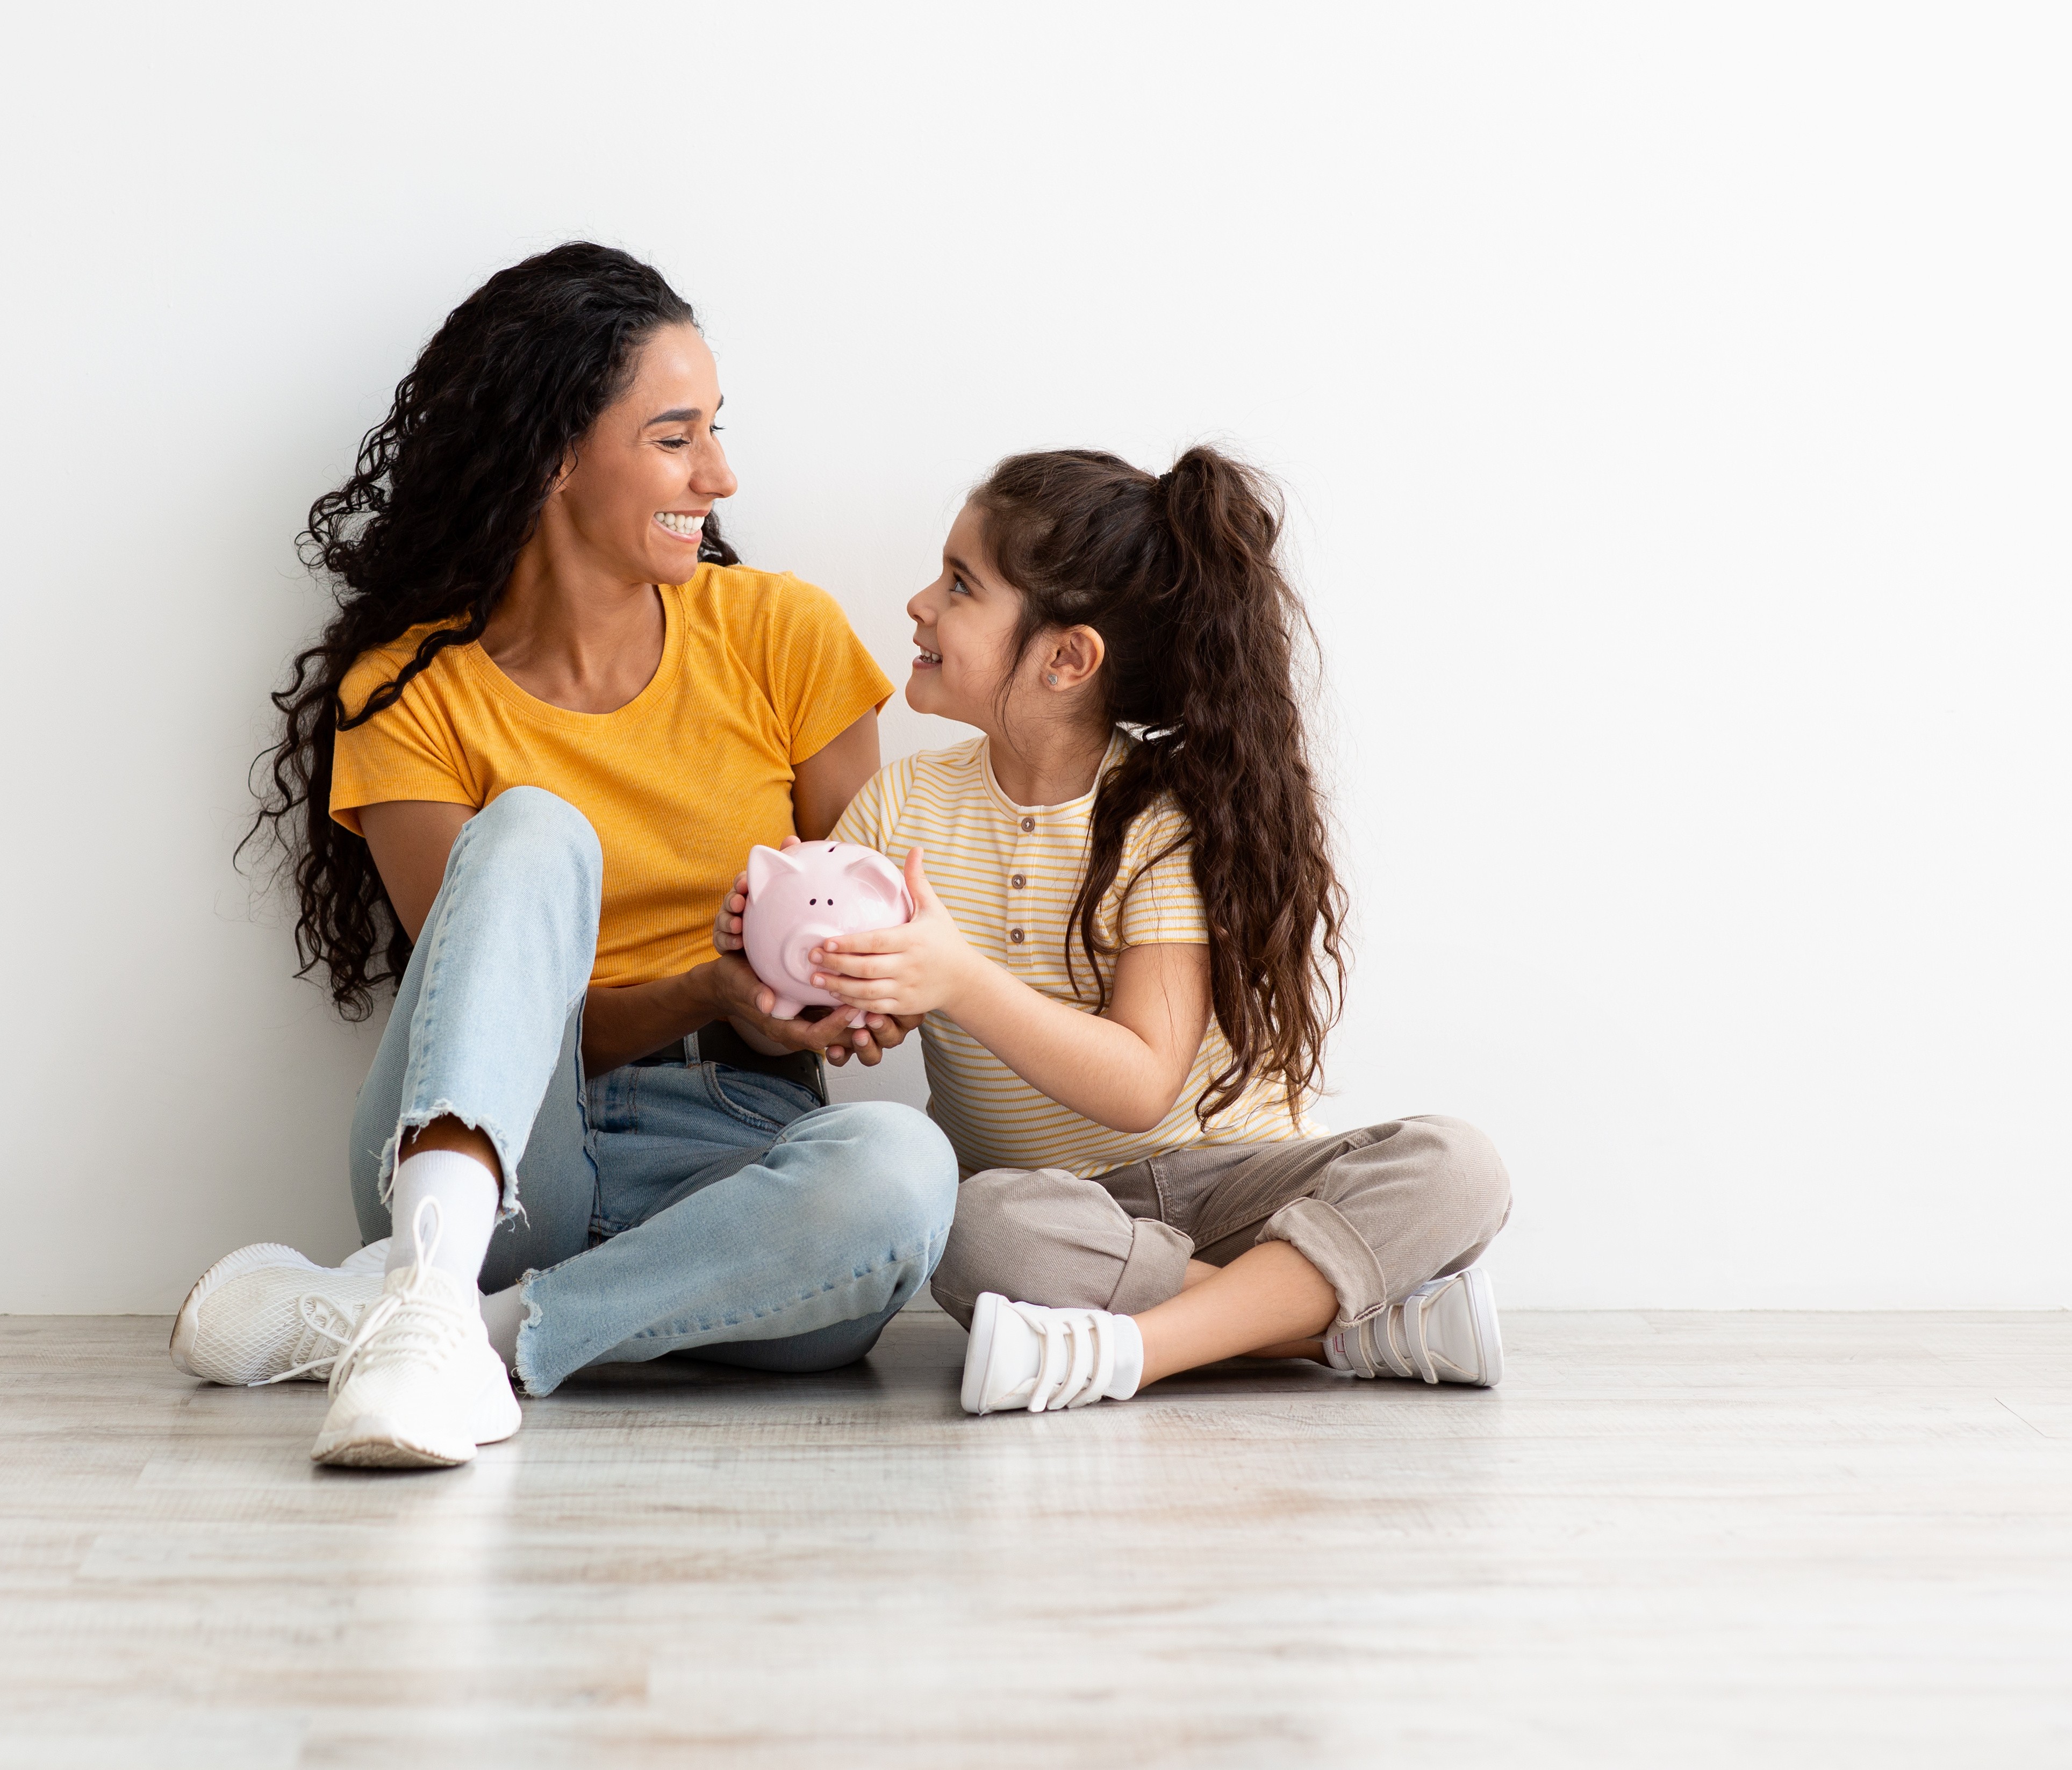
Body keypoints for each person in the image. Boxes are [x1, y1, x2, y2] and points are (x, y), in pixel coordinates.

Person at [169, 243, 954, 1468]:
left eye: (716, 430)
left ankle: (428, 1327)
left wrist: (857, 996)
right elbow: (481, 1020)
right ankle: (436, 1274)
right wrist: (699, 988)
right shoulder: (411, 695)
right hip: (492, 1159)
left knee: (903, 1170)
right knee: (534, 829)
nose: (721, 473)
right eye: (674, 437)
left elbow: (868, 920)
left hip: (732, 1147)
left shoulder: (780, 637)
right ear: (551, 454)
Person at [721, 447, 1512, 1415]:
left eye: (961, 585)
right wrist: (785, 969)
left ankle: (1131, 1351)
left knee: (1458, 1167)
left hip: (1238, 1190)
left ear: (1067, 657)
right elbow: (825, 1009)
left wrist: (956, 978)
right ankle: (1341, 1326)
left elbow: (1141, 1083)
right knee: (969, 1227)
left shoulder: (1156, 814)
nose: (920, 602)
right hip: (1066, 1215)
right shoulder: (901, 808)